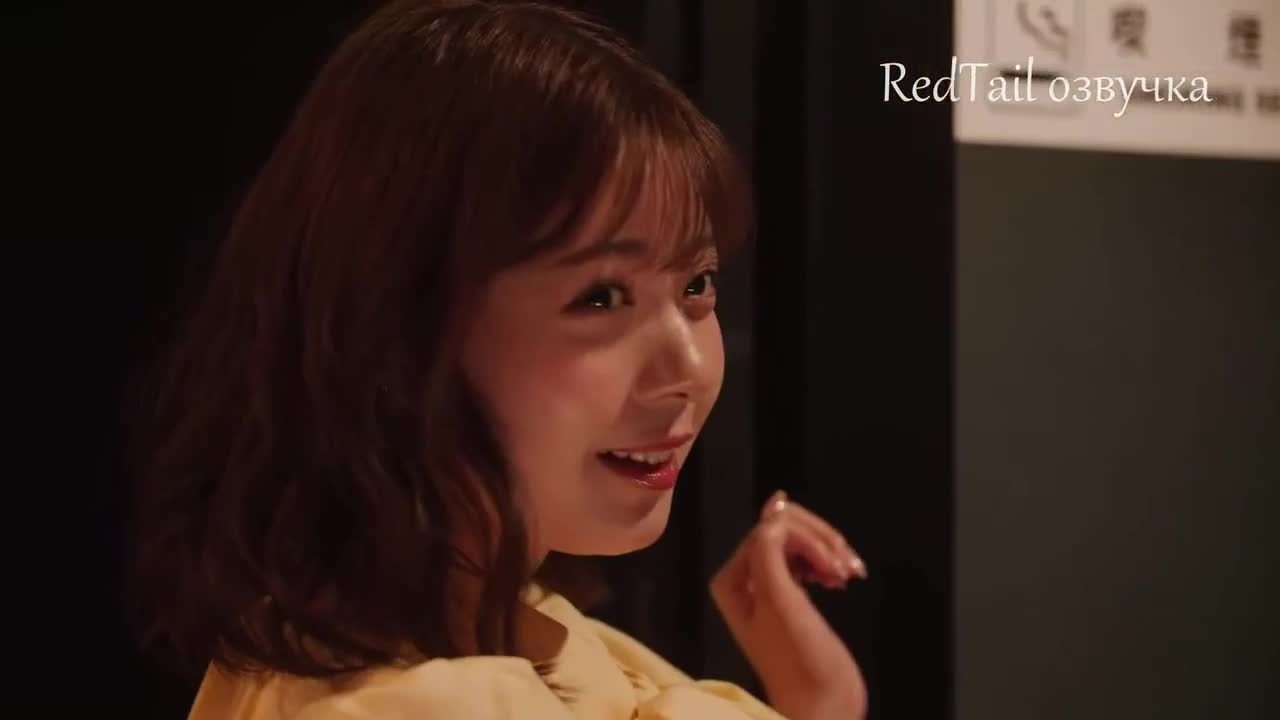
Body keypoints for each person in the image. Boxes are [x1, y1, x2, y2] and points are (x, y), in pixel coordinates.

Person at [123, 1, 869, 718]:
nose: (689, 370)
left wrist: (818, 701)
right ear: (401, 325)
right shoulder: (425, 704)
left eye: (696, 285)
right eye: (601, 297)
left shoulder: (519, 629)